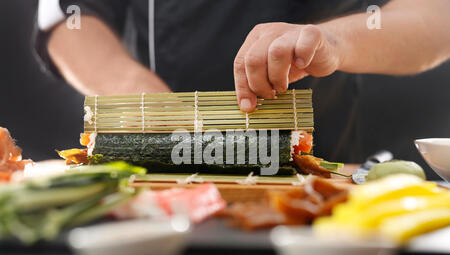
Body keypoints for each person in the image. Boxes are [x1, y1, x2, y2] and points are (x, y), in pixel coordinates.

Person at [34, 0, 450, 162]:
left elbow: (436, 16)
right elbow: (68, 19)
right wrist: (133, 89)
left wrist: (334, 40)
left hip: (325, 183)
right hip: (154, 183)